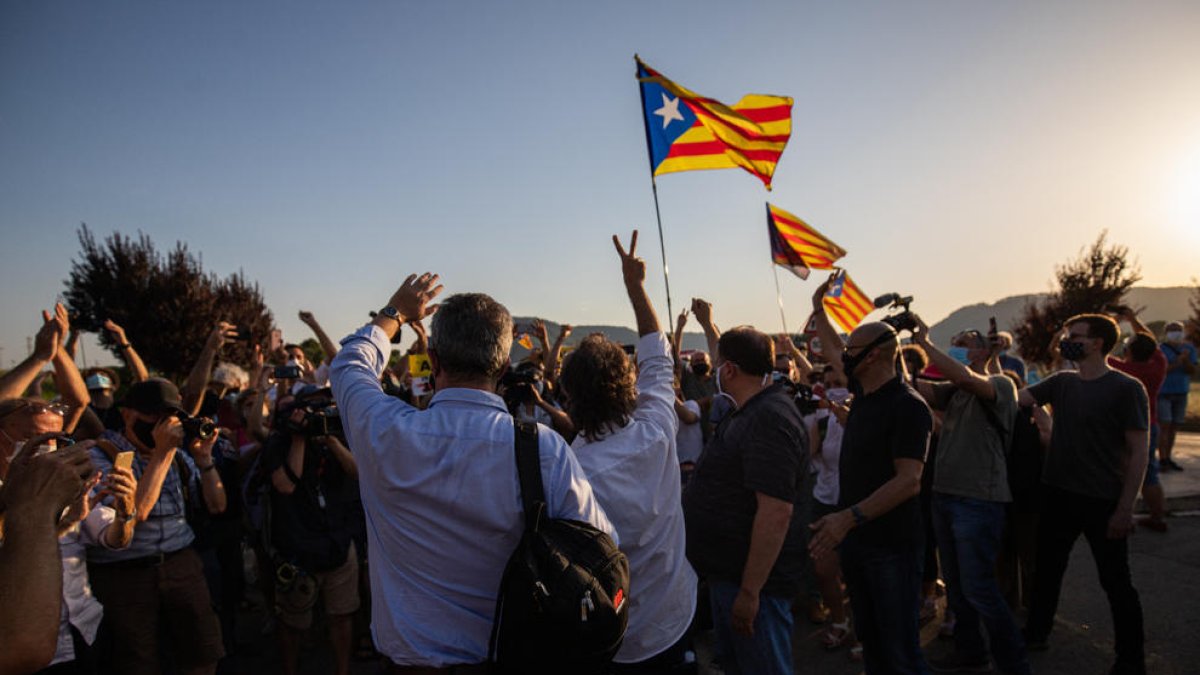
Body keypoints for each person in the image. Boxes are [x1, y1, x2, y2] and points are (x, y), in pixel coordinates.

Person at [329, 272, 614, 670]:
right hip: (514, 657)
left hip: (410, 662)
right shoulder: (542, 449)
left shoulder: (385, 431)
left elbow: (348, 366)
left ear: (434, 361)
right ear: (502, 366)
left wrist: (393, 311)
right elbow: (601, 545)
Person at [559, 232, 697, 673]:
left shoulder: (567, 472)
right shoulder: (658, 429)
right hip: (675, 618)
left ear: (568, 396)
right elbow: (659, 359)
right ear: (629, 387)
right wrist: (635, 285)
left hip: (613, 637)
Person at [808, 274, 932, 675]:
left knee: (901, 655)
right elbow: (828, 346)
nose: (843, 356)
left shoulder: (908, 407)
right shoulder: (864, 396)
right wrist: (818, 306)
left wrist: (848, 517)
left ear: (875, 355)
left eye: (851, 350)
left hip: (892, 548)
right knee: (875, 649)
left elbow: (909, 480)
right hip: (859, 545)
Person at [682, 299, 809, 675]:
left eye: (719, 364)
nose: (713, 369)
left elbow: (775, 512)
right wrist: (709, 324)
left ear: (731, 370)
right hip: (731, 577)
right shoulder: (751, 407)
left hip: (754, 588)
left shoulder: (769, 419)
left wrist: (750, 592)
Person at [1020, 314, 1149, 675]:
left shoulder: (1126, 388)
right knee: (1047, 572)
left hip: (1102, 500)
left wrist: (1126, 508)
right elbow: (1014, 399)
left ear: (1097, 343)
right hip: (1058, 495)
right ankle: (1036, 633)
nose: (1067, 341)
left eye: (1074, 336)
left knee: (1115, 582)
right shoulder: (1061, 382)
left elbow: (1139, 451)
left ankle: (1130, 659)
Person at [911, 321, 1031, 675]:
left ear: (986, 351)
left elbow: (966, 379)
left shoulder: (1001, 385)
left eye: (967, 343)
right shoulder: (954, 390)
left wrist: (924, 341)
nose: (959, 347)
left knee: (980, 588)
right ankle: (970, 652)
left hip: (978, 498)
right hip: (945, 495)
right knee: (961, 590)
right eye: (957, 343)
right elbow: (914, 389)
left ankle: (1014, 664)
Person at [86, 378, 228, 675]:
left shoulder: (177, 456)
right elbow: (134, 513)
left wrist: (204, 460)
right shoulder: (100, 456)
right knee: (138, 661)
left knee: (203, 650)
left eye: (169, 417)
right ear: (127, 415)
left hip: (182, 564)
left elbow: (217, 506)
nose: (163, 425)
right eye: (155, 416)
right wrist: (162, 454)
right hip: (126, 574)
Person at [263, 387, 362, 675]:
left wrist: (329, 438)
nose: (320, 413)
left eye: (326, 407)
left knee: (342, 616)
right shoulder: (279, 442)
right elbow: (286, 485)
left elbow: (356, 472)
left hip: (338, 543)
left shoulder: (337, 438)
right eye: (313, 408)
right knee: (293, 623)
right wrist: (299, 437)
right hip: (297, 546)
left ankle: (342, 670)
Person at [0, 439, 97, 675]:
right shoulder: (36, 495)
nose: (50, 458)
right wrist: (37, 507)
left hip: (78, 626)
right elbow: (22, 649)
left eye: (57, 441)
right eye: (31, 437)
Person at [1106, 308, 1169, 531]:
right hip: (1151, 425)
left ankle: (1125, 517)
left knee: (1123, 474)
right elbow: (1150, 341)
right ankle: (1157, 516)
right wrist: (1132, 319)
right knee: (1149, 472)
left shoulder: (1123, 368)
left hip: (1125, 428)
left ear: (1129, 351)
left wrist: (1108, 326)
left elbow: (1100, 354)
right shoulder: (1158, 366)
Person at [1156, 321, 1195, 472]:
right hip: (1164, 392)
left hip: (1181, 391)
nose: (1176, 333)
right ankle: (1162, 458)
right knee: (1164, 425)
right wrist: (1178, 361)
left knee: (1174, 427)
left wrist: (1185, 361)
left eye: (1178, 330)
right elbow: (1162, 370)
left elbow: (1192, 370)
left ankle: (1169, 457)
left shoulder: (1189, 349)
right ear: (1166, 333)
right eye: (1172, 330)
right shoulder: (1161, 349)